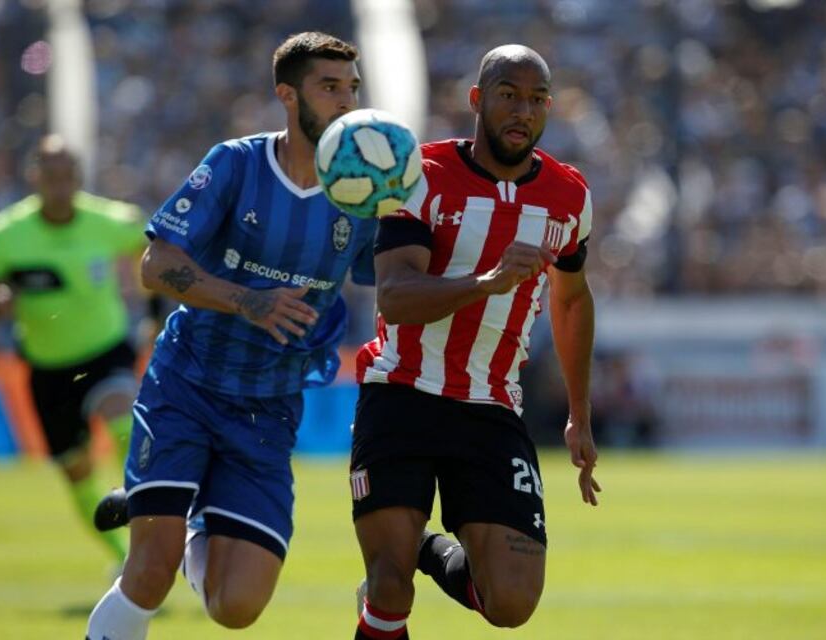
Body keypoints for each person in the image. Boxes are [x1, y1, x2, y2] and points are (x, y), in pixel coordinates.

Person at [85, 31, 375, 640]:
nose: (347, 101)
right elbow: (155, 266)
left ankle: (185, 508)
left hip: (268, 407)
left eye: (353, 87)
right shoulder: (235, 163)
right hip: (186, 384)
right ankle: (164, 506)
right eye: (330, 87)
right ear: (288, 96)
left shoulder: (363, 196)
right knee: (150, 572)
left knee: (235, 607)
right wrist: (247, 300)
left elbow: (395, 279)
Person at [349, 44, 601, 639]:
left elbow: (570, 300)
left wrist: (580, 416)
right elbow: (397, 296)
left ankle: (424, 545)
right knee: (389, 586)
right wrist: (489, 282)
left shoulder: (569, 197)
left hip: (490, 405)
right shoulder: (421, 177)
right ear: (477, 100)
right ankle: (397, 560)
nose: (523, 111)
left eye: (537, 99)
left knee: (510, 602)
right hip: (402, 392)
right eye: (508, 95)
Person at [0, 135, 148, 563]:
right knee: (77, 473)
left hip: (106, 352)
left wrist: (156, 316)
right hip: (47, 367)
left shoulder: (111, 220)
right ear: (34, 177)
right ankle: (124, 558)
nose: (59, 184)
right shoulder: (7, 233)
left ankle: (145, 518)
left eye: (67, 175)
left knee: (125, 421)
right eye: (50, 175)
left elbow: (155, 256)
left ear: (79, 177)